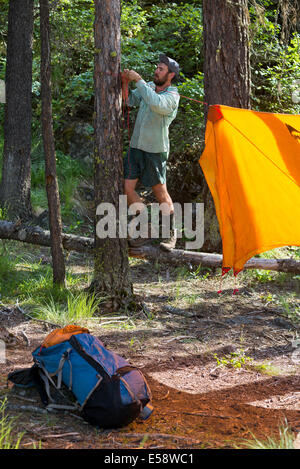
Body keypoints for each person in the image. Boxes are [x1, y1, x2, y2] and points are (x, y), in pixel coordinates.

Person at [121, 54, 180, 251]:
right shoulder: (148, 89)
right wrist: (125, 83)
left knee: (160, 193)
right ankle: (145, 225)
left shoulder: (172, 96)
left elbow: (156, 104)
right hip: (135, 147)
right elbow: (129, 102)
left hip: (155, 152)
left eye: (161, 69)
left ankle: (171, 234)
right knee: (126, 188)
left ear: (170, 75)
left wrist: (138, 81)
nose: (156, 70)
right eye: (157, 67)